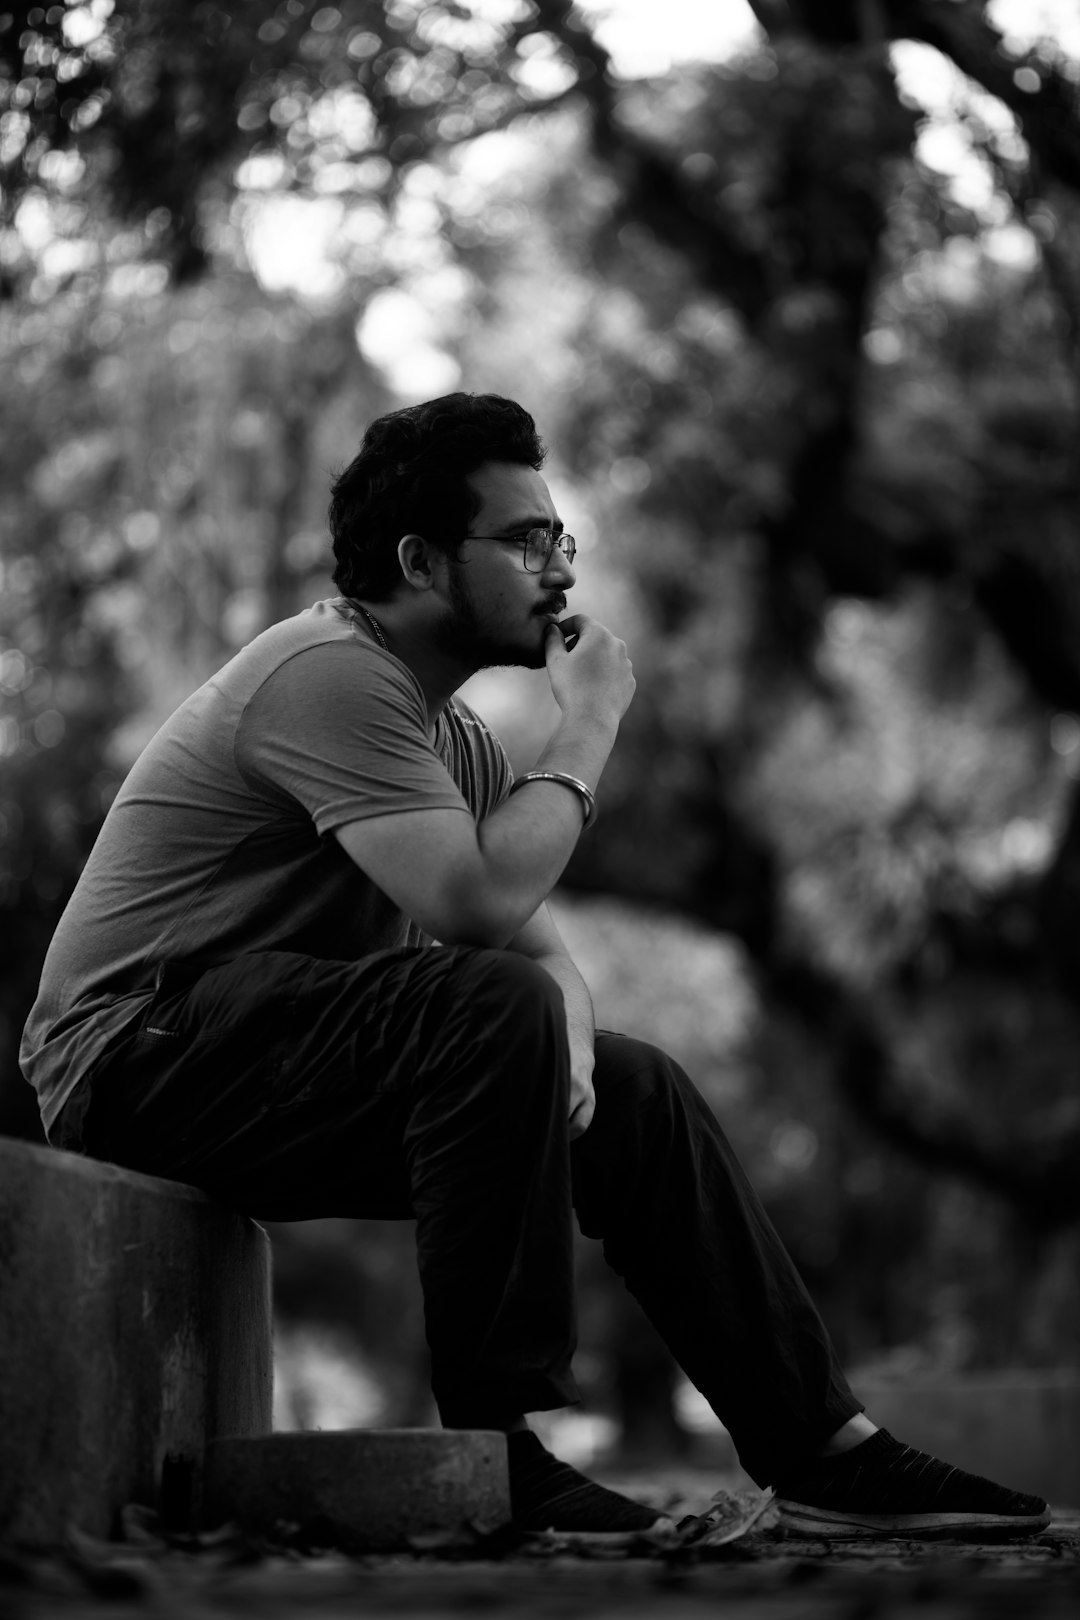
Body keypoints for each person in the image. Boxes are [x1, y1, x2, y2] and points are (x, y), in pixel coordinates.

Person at [22, 392, 1050, 1543]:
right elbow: (473, 906)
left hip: (260, 1068)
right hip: (135, 1058)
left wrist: (561, 1047)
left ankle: (821, 1449)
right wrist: (588, 724)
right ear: (418, 560)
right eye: (525, 540)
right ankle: (499, 1446)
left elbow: (541, 951)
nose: (560, 570)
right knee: (489, 1000)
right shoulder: (321, 671)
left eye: (561, 538)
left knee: (638, 1095)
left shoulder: (443, 735)